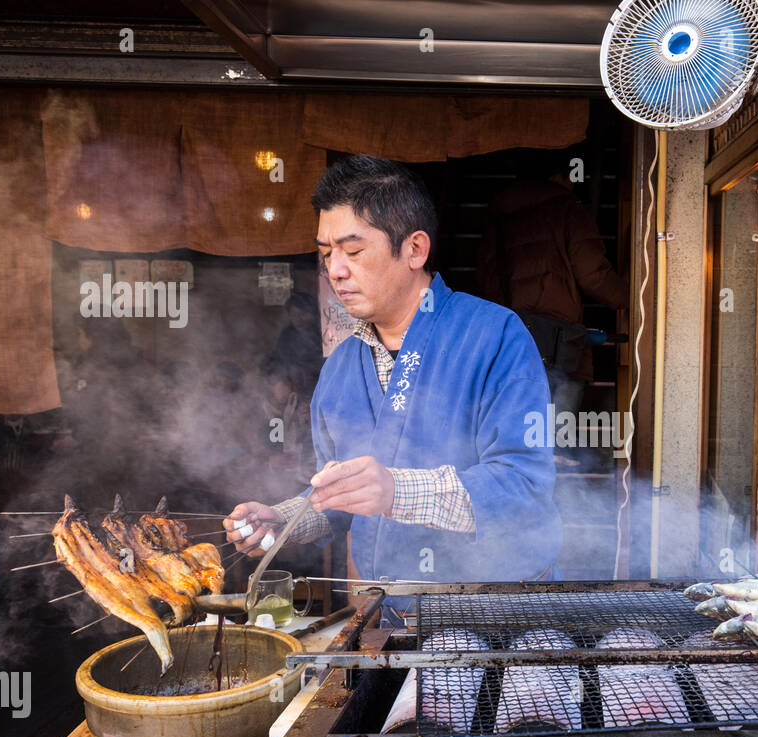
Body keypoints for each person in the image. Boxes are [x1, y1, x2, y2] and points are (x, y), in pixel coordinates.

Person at [224, 155, 562, 583]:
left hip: (499, 609)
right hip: (392, 618)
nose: (335, 270)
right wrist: (284, 520)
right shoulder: (340, 367)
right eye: (326, 253)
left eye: (353, 250)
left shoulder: (495, 335)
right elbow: (339, 497)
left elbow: (524, 488)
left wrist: (395, 490)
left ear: (415, 249)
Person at [476, 151, 628, 442]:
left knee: (516, 435)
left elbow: (484, 277)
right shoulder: (567, 208)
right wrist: (631, 300)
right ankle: (555, 475)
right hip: (561, 343)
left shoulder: (498, 216)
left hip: (512, 339)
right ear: (559, 174)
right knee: (555, 441)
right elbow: (592, 272)